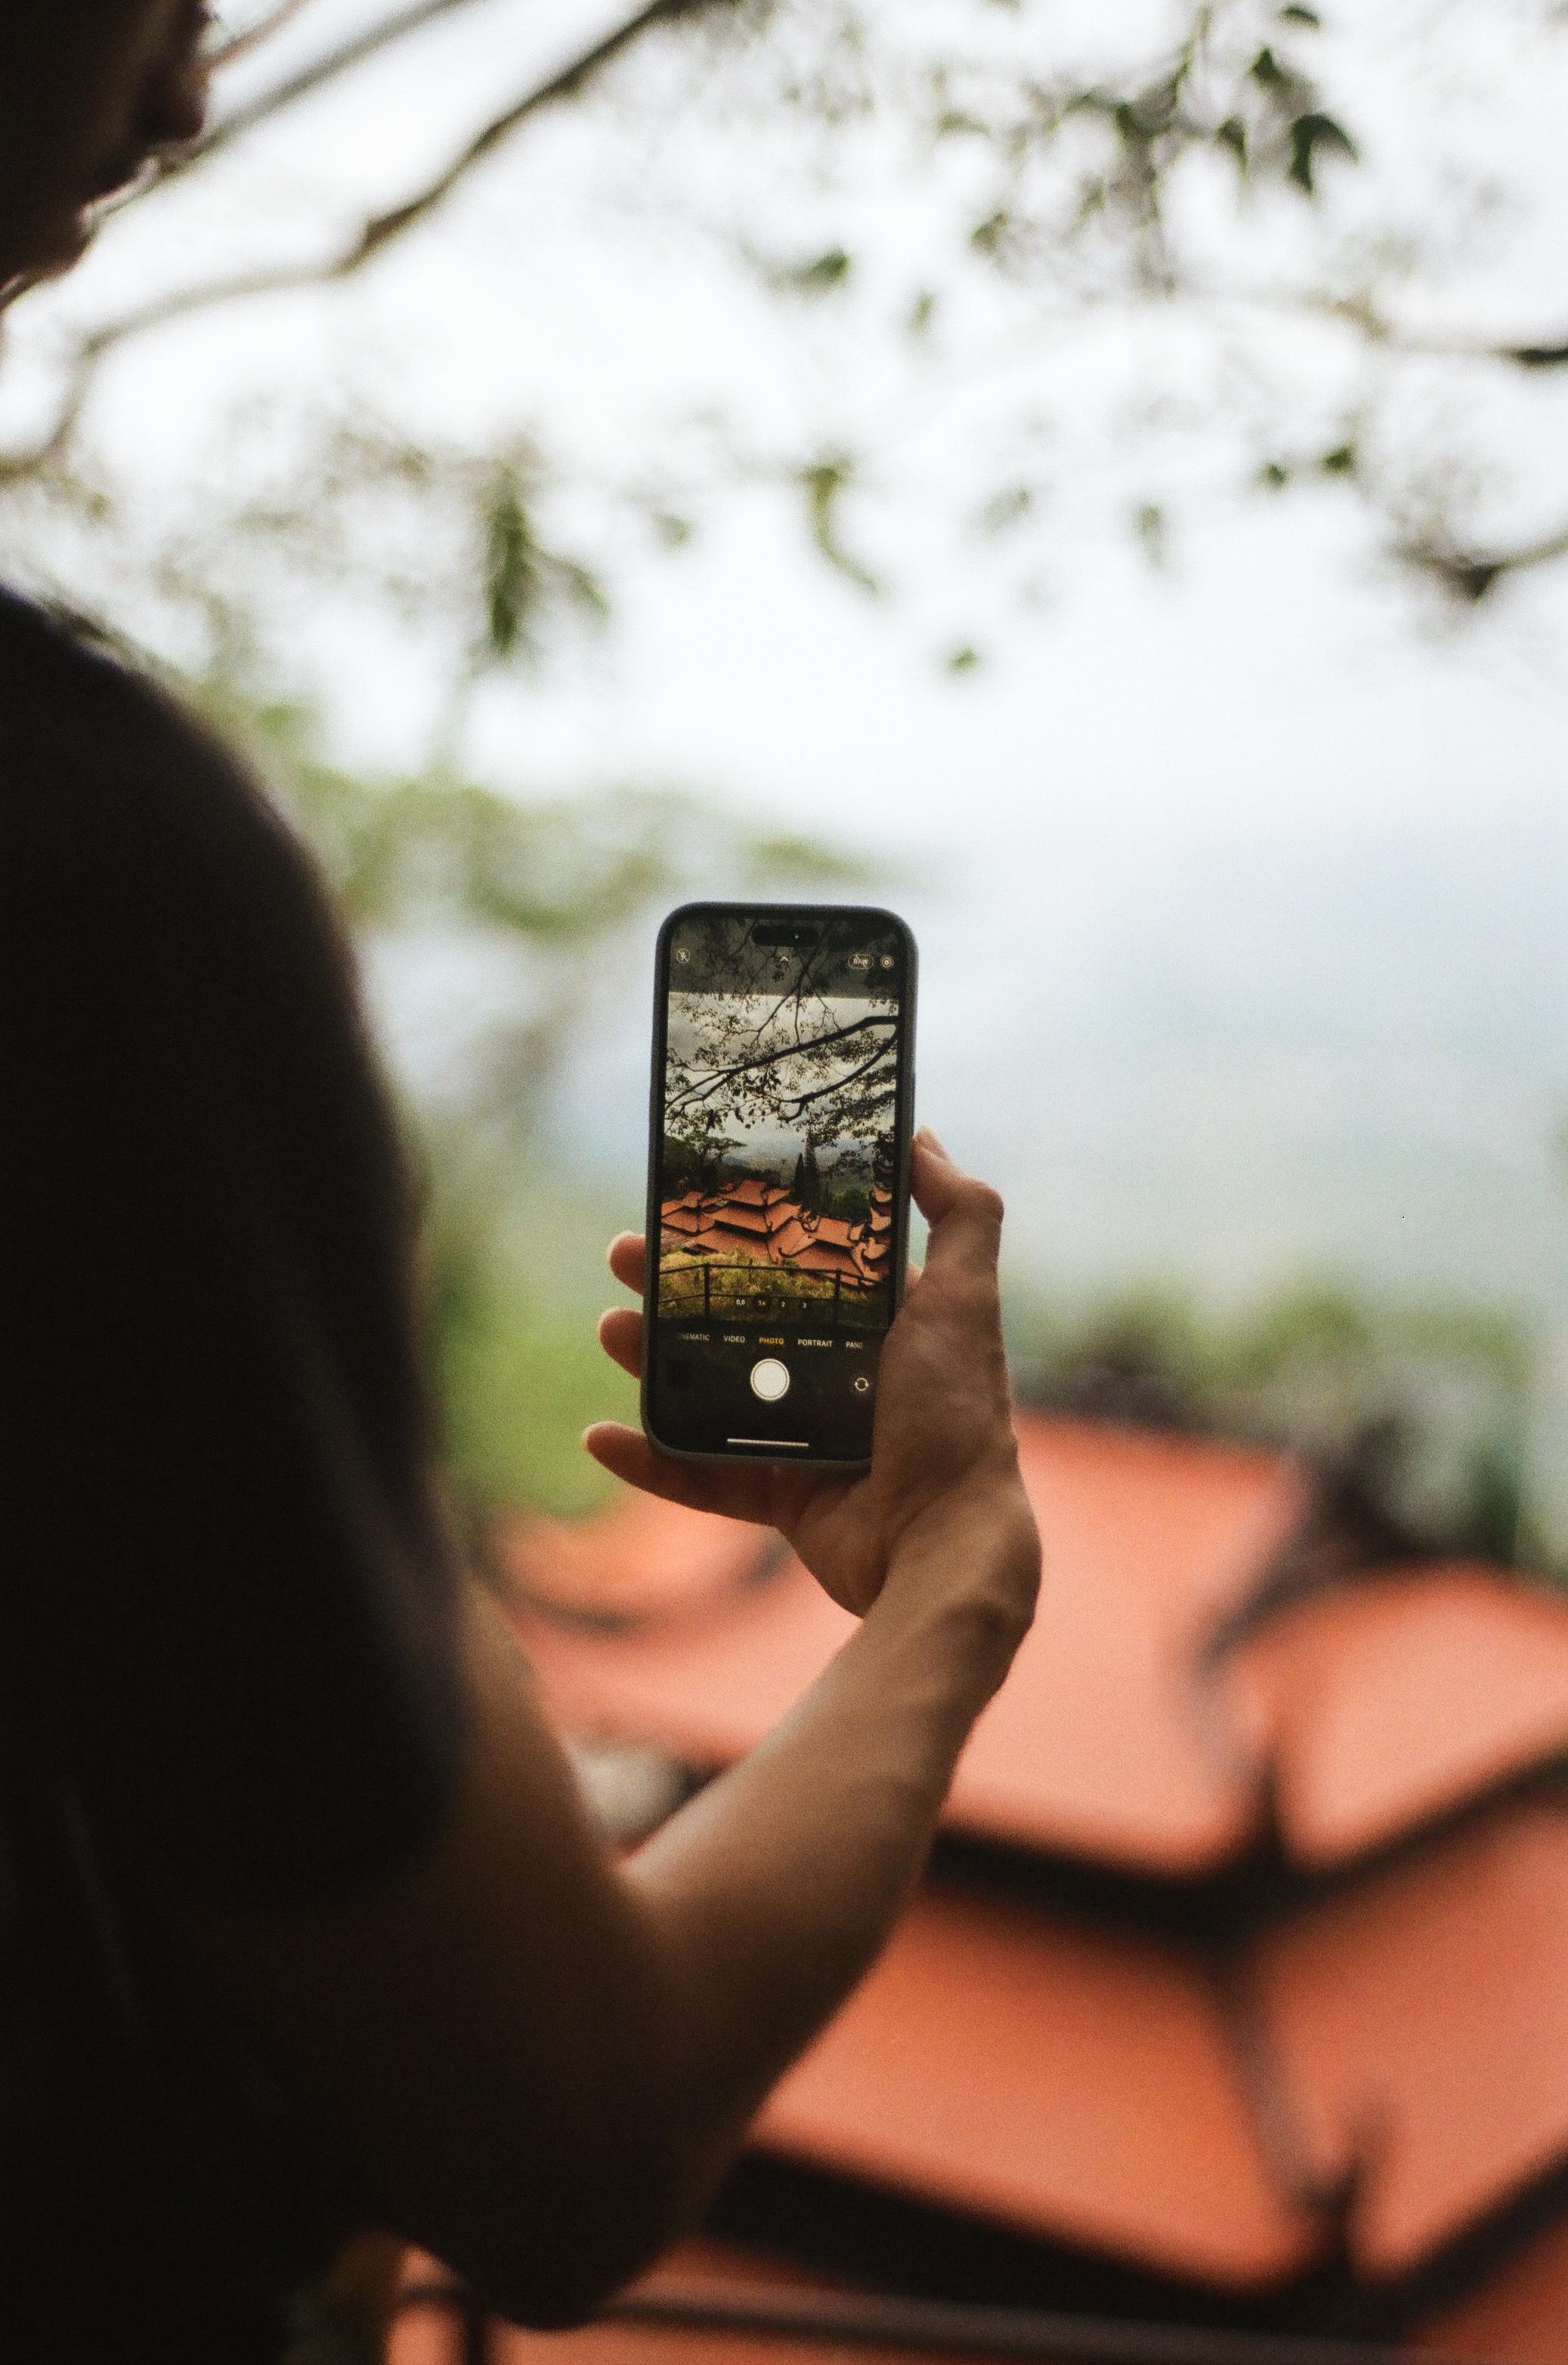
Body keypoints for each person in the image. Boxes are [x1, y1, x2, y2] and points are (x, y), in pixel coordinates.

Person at [0, 8, 1042, 2360]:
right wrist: (954, 1577)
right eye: (154, 0)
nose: (185, 95)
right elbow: (564, 2140)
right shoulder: (82, 882)